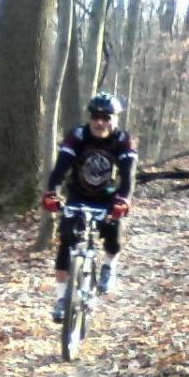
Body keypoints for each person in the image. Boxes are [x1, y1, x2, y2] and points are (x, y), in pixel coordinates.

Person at [41, 92, 138, 323]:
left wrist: (123, 199)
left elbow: (128, 175)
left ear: (115, 120)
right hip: (78, 196)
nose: (100, 122)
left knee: (114, 235)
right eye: (95, 116)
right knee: (66, 243)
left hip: (109, 197)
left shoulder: (124, 140)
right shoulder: (78, 136)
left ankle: (108, 265)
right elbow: (61, 167)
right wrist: (51, 192)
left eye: (106, 117)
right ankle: (62, 298)